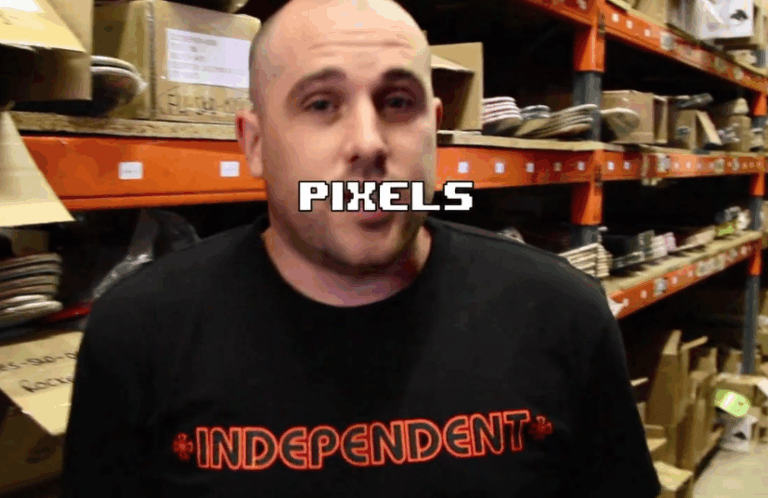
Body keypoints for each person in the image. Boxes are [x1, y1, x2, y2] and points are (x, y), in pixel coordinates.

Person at [61, 0, 661, 496]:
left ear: (435, 128)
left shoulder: (562, 314)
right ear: (255, 143)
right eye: (321, 104)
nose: (369, 144)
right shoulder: (139, 335)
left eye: (397, 103)